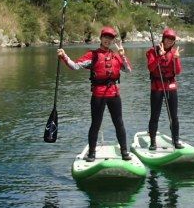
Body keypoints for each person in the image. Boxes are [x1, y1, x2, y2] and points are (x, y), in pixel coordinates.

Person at [58, 26, 133, 162]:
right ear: (101, 38)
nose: (107, 40)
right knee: (95, 124)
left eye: (110, 38)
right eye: (105, 37)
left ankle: (124, 152)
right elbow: (75, 66)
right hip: (98, 94)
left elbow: (128, 70)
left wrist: (122, 54)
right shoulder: (92, 55)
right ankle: (92, 153)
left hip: (114, 94)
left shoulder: (116, 56)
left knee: (119, 123)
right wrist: (64, 56)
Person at [145, 27, 183, 150]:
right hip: (157, 87)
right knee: (154, 115)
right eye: (168, 39)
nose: (169, 41)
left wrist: (176, 59)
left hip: (170, 86)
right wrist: (159, 56)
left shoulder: (174, 53)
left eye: (172, 39)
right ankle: (152, 142)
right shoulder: (152, 51)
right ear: (163, 38)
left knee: (174, 116)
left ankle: (176, 140)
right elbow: (150, 67)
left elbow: (177, 71)